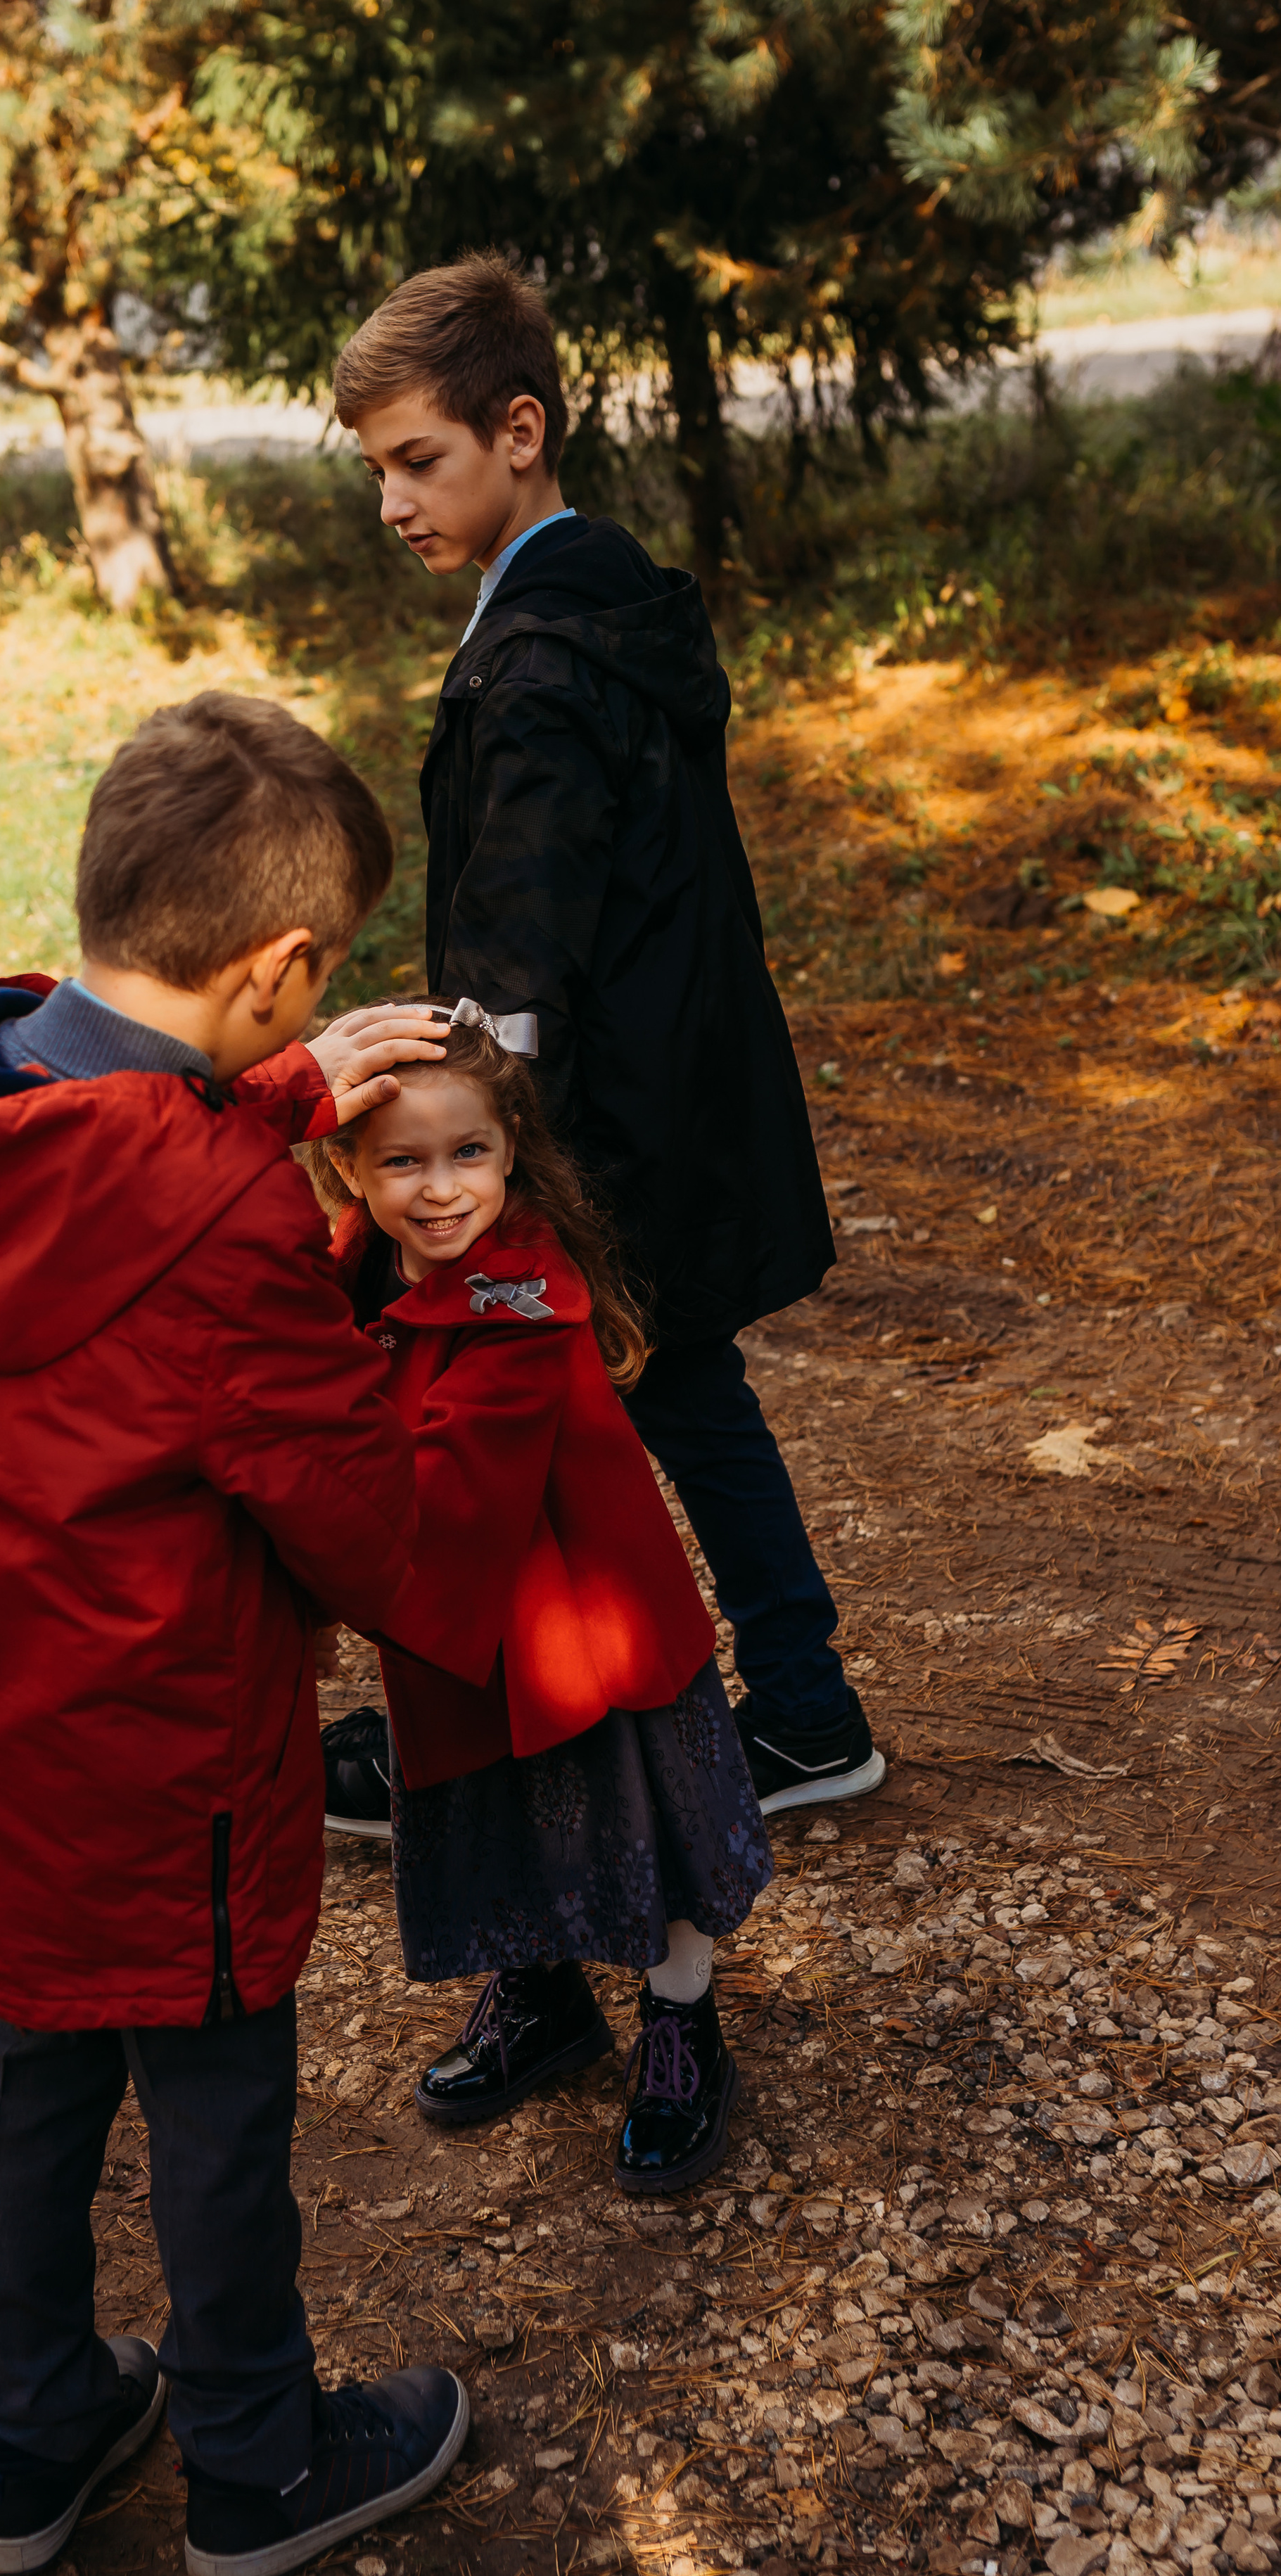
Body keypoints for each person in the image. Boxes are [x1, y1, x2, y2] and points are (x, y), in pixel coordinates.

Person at [0, 692, 468, 2576]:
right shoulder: (226, 1230)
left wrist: (275, 1100)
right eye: (316, 983)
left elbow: (114, 1179)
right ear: (277, 968)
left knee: (29, 2073)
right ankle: (258, 2464)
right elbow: (359, 1523)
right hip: (168, 1752)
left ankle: (27, 2438)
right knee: (213, 2102)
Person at [325, 252, 885, 1824]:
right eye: (375, 472)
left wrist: (466, 1140)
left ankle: (474, 1737)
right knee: (684, 1397)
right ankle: (802, 1710)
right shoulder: (605, 601)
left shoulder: (539, 665)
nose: (393, 503)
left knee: (500, 1411)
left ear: (520, 431)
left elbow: (520, 955)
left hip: (595, 1131)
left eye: (417, 460)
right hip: (666, 1096)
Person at [309, 1002, 775, 2190]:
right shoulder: (355, 1266)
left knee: (639, 1817)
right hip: (466, 1633)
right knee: (498, 1814)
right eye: (402, 1163)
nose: (441, 1190)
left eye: (468, 1153)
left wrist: (308, 1526)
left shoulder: (522, 1298)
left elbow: (447, 1492)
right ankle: (545, 1997)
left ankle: (682, 2020)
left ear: (511, 1150)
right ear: (348, 1168)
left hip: (582, 1634)